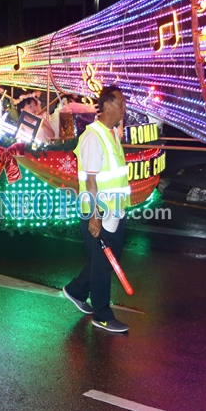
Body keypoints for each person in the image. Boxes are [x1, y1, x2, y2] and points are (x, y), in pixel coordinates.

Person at [62, 86, 131, 333]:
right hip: (99, 212)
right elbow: (90, 181)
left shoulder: (111, 133)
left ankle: (76, 290)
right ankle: (101, 314)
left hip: (114, 211)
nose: (125, 107)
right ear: (108, 105)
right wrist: (94, 217)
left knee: (106, 261)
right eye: (121, 103)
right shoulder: (93, 136)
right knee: (103, 264)